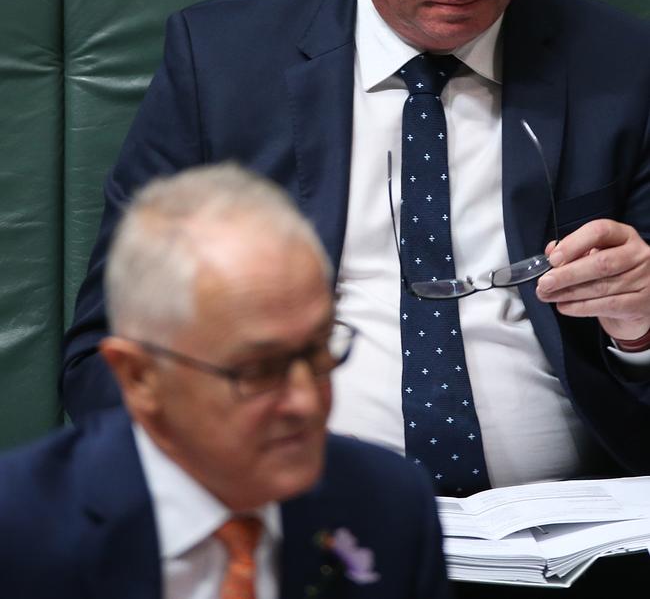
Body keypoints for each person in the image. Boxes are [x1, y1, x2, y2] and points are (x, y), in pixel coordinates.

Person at [63, 0, 650, 500]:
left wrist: (638, 327)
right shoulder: (223, 66)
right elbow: (105, 357)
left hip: (573, 531)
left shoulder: (622, 67)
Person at [0, 164, 448, 599]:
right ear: (139, 378)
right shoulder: (20, 533)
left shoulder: (390, 505)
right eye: (258, 371)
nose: (307, 402)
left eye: (316, 350)